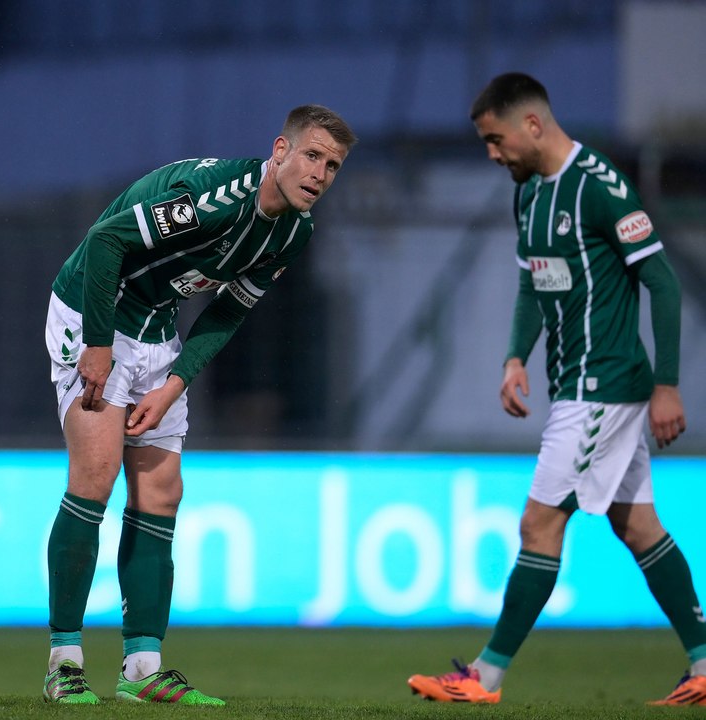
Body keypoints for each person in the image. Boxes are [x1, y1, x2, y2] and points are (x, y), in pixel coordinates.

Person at [407, 72, 706, 706]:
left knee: (539, 523)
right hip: (575, 382)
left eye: (495, 139)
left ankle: (484, 679)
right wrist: (517, 355)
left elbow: (664, 283)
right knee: (638, 525)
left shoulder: (600, 189)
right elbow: (532, 282)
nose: (492, 153)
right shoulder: (528, 195)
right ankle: (705, 662)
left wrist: (668, 384)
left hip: (603, 385)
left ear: (532, 126)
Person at [41, 105, 357, 705]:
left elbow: (232, 306)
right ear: (280, 151)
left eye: (333, 165)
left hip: (157, 325)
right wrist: (99, 345)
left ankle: (142, 670)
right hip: (92, 309)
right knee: (97, 473)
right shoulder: (213, 197)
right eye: (312, 155)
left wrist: (175, 383)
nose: (320, 173)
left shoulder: (295, 231)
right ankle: (65, 661)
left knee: (162, 492)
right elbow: (105, 242)